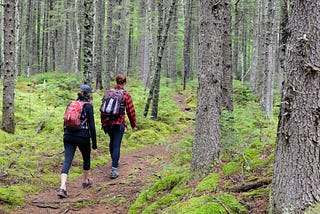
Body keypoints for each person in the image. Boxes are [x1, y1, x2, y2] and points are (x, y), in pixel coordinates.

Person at [58, 84, 97, 198]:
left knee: (67, 161)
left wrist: (66, 133)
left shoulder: (70, 104)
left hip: (68, 135)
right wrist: (94, 142)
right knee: (86, 158)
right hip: (82, 136)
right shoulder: (88, 106)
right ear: (88, 95)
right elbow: (92, 126)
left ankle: (62, 187)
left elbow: (65, 121)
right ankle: (85, 182)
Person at [103, 74, 136, 179]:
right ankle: (114, 169)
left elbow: (102, 109)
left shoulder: (108, 93)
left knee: (112, 142)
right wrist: (133, 124)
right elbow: (130, 111)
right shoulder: (126, 95)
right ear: (124, 82)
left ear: (116, 81)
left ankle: (114, 161)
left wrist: (103, 123)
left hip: (108, 123)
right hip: (119, 123)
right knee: (116, 144)